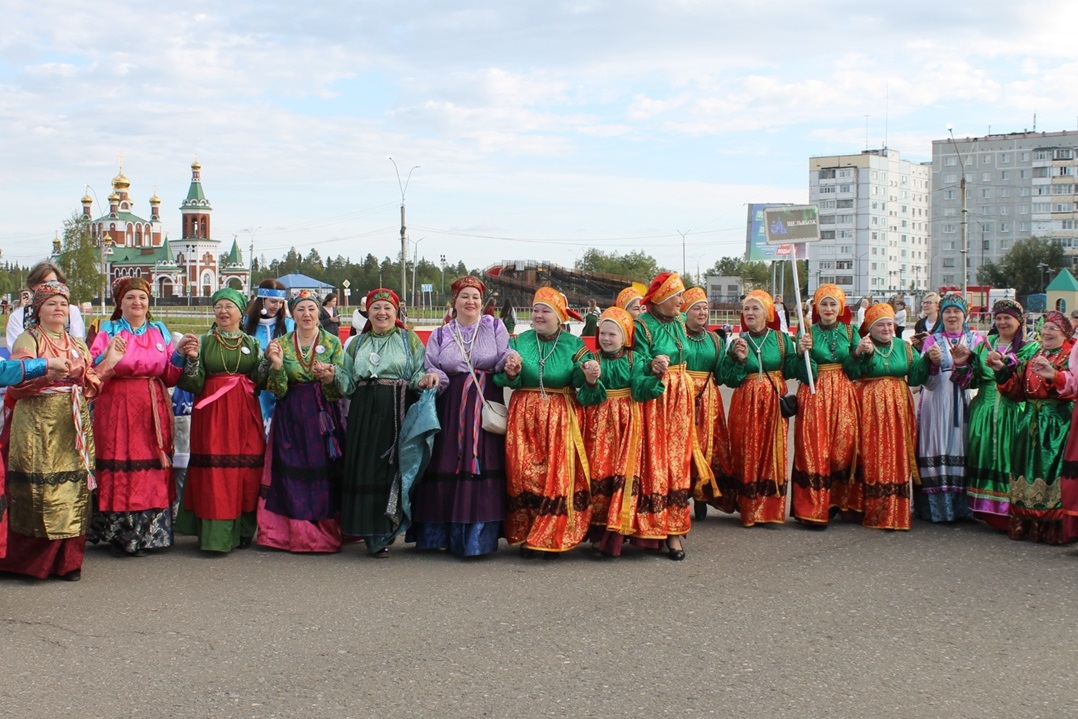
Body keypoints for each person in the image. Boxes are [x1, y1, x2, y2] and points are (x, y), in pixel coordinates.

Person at [0, 282, 123, 580]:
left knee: (73, 488)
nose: (58, 308)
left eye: (63, 304)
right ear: (38, 310)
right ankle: (32, 563)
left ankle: (67, 562)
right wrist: (46, 373)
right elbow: (17, 383)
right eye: (51, 303)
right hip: (37, 422)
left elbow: (90, 386)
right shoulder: (28, 340)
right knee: (38, 489)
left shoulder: (77, 343)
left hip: (73, 421)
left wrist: (110, 361)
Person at [413, 276, 511, 557]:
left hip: (483, 404)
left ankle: (478, 538)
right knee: (447, 461)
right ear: (454, 301)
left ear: (482, 302)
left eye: (476, 297)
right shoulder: (441, 333)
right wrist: (433, 377)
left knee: (482, 462)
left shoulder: (495, 326)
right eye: (465, 296)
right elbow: (433, 365)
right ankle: (440, 535)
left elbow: (504, 356)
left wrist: (512, 363)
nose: (471, 302)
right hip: (452, 405)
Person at [338, 288, 439, 557]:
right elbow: (347, 383)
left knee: (392, 467)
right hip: (363, 412)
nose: (382, 313)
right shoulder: (357, 344)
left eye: (387, 308)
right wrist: (331, 376)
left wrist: (425, 380)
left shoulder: (409, 340)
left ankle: (387, 529)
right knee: (365, 468)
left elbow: (419, 371)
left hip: (396, 408)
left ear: (396, 312)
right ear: (367, 313)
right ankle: (369, 532)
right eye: (376, 308)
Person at [87, 277, 183, 557]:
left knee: (151, 462)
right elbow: (93, 369)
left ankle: (150, 533)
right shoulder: (109, 330)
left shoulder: (160, 330)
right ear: (120, 303)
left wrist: (181, 357)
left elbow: (169, 375)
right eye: (130, 297)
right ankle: (122, 533)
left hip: (152, 405)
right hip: (117, 404)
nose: (137, 303)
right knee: (121, 460)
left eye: (142, 297)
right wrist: (106, 356)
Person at [495, 287, 591, 558]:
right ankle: (527, 533)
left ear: (559, 316)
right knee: (522, 474)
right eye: (535, 310)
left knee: (555, 476)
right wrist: (511, 373)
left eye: (544, 310)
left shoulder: (574, 345)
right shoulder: (519, 341)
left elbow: (582, 382)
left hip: (559, 416)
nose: (538, 315)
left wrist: (587, 374)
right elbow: (501, 380)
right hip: (523, 415)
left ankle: (552, 536)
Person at [174, 288, 267, 553]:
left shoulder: (252, 344)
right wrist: (192, 361)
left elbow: (260, 382)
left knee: (245, 469)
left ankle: (244, 529)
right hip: (212, 413)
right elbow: (193, 384)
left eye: (229, 306)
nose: (223, 311)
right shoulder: (203, 342)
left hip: (244, 412)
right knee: (215, 471)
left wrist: (270, 364)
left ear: (241, 311)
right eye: (218, 306)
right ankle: (215, 536)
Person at [259, 290, 347, 553]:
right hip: (292, 415)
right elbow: (278, 390)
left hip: (324, 416)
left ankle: (324, 532)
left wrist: (330, 377)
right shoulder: (282, 343)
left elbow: (341, 385)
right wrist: (276, 366)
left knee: (323, 471)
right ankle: (290, 533)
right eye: (300, 310)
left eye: (311, 309)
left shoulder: (332, 342)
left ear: (319, 312)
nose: (306, 314)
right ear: (292, 314)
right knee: (291, 468)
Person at [577, 307, 664, 557]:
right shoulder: (593, 358)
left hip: (628, 423)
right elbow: (584, 398)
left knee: (626, 472)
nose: (606, 339)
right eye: (603, 333)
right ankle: (600, 533)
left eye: (612, 334)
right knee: (600, 471)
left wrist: (655, 376)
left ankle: (622, 528)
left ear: (625, 336)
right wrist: (591, 381)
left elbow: (640, 390)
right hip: (598, 424)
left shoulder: (634, 359)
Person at [844, 303, 935, 530]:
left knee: (897, 453)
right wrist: (858, 355)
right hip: (869, 407)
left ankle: (896, 509)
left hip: (898, 407)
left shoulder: (903, 347)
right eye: (880, 325)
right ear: (870, 328)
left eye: (889, 324)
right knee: (871, 453)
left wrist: (926, 360)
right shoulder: (863, 345)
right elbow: (850, 372)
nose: (886, 328)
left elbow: (914, 377)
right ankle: (871, 509)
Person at [989, 311, 1077, 544]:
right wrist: (1001, 371)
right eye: (1044, 327)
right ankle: (1026, 524)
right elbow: (1016, 390)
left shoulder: (1070, 356)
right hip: (1029, 421)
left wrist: (1054, 375)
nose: (1046, 332)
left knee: (1051, 472)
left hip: (1057, 423)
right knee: (1026, 471)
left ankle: (1054, 529)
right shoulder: (1035, 354)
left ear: (1065, 333)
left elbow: (1071, 388)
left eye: (1052, 329)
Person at [719, 290, 801, 527]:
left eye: (755, 309)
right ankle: (750, 509)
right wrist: (739, 360)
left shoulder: (782, 339)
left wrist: (803, 352)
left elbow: (793, 369)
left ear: (766, 313)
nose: (750, 313)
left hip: (774, 402)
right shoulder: (738, 341)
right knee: (747, 451)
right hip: (746, 401)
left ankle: (771, 510)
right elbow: (728, 379)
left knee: (772, 451)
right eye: (746, 309)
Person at [633, 272, 694, 558]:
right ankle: (652, 526)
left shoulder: (681, 322)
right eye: (677, 297)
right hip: (657, 396)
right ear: (661, 299)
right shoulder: (642, 325)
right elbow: (636, 360)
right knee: (655, 459)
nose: (682, 302)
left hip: (681, 397)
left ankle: (675, 529)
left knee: (678, 461)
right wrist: (652, 365)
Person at [959, 300, 1034, 531]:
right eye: (999, 318)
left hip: (1012, 410)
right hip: (983, 408)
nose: (1002, 322)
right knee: (981, 455)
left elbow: (1023, 378)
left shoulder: (1028, 347)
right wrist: (962, 364)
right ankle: (984, 510)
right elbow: (973, 379)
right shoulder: (985, 344)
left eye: (1007, 318)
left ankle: (1010, 513)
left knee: (1009, 458)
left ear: (1018, 322)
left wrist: (1002, 366)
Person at [790, 284, 860, 528]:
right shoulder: (806, 330)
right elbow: (796, 371)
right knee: (814, 449)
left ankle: (841, 502)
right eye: (824, 304)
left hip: (843, 394)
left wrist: (859, 355)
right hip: (814, 393)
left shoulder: (851, 332)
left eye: (833, 304)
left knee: (844, 449)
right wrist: (800, 353)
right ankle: (813, 508)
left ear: (840, 307)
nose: (828, 308)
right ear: (816, 307)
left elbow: (855, 371)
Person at [914, 293, 983, 523]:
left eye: (956, 311)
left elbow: (984, 375)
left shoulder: (977, 340)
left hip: (965, 401)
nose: (952, 315)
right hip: (937, 403)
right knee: (937, 445)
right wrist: (931, 363)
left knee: (962, 446)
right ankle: (938, 509)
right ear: (941, 315)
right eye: (947, 311)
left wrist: (970, 362)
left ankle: (965, 508)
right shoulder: (932, 341)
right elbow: (927, 382)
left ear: (965, 314)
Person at [680, 287, 733, 520]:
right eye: (696, 308)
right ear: (685, 311)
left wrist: (735, 360)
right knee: (683, 448)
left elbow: (721, 374)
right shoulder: (677, 336)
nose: (702, 312)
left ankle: (702, 496)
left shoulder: (715, 339)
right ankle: (682, 495)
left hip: (709, 398)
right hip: (681, 396)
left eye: (705, 308)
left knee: (707, 448)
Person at [244, 279, 294, 434]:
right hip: (255, 389)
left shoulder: (289, 325)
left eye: (280, 303)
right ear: (262, 300)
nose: (276, 306)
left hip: (282, 387)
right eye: (273, 301)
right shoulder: (246, 324)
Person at [5, 262, 86, 348]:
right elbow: (17, 350)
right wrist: (48, 361)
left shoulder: (71, 311)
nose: (49, 287)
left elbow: (78, 346)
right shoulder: (18, 316)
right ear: (33, 285)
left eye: (53, 282)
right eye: (43, 283)